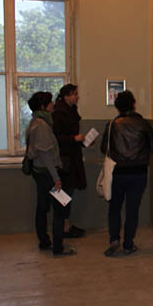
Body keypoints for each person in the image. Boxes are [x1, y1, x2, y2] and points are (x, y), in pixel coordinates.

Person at [100, 90, 153, 257]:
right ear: (134, 105)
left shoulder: (112, 124)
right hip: (138, 172)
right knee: (132, 210)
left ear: (117, 107)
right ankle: (128, 244)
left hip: (117, 172)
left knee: (114, 208)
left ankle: (114, 240)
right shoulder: (143, 124)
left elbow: (104, 148)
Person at [26, 92, 76, 257]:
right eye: (50, 103)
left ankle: (44, 241)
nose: (53, 104)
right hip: (48, 174)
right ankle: (58, 247)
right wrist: (56, 178)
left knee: (42, 208)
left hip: (40, 172)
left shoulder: (35, 122)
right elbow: (46, 155)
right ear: (43, 107)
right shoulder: (42, 126)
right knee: (59, 209)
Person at [53, 83, 87, 238]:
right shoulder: (59, 113)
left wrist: (82, 141)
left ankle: (66, 224)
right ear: (66, 96)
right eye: (75, 94)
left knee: (69, 191)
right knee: (63, 192)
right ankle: (63, 226)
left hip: (72, 157)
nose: (78, 97)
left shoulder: (71, 110)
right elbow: (56, 138)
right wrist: (74, 138)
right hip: (63, 160)